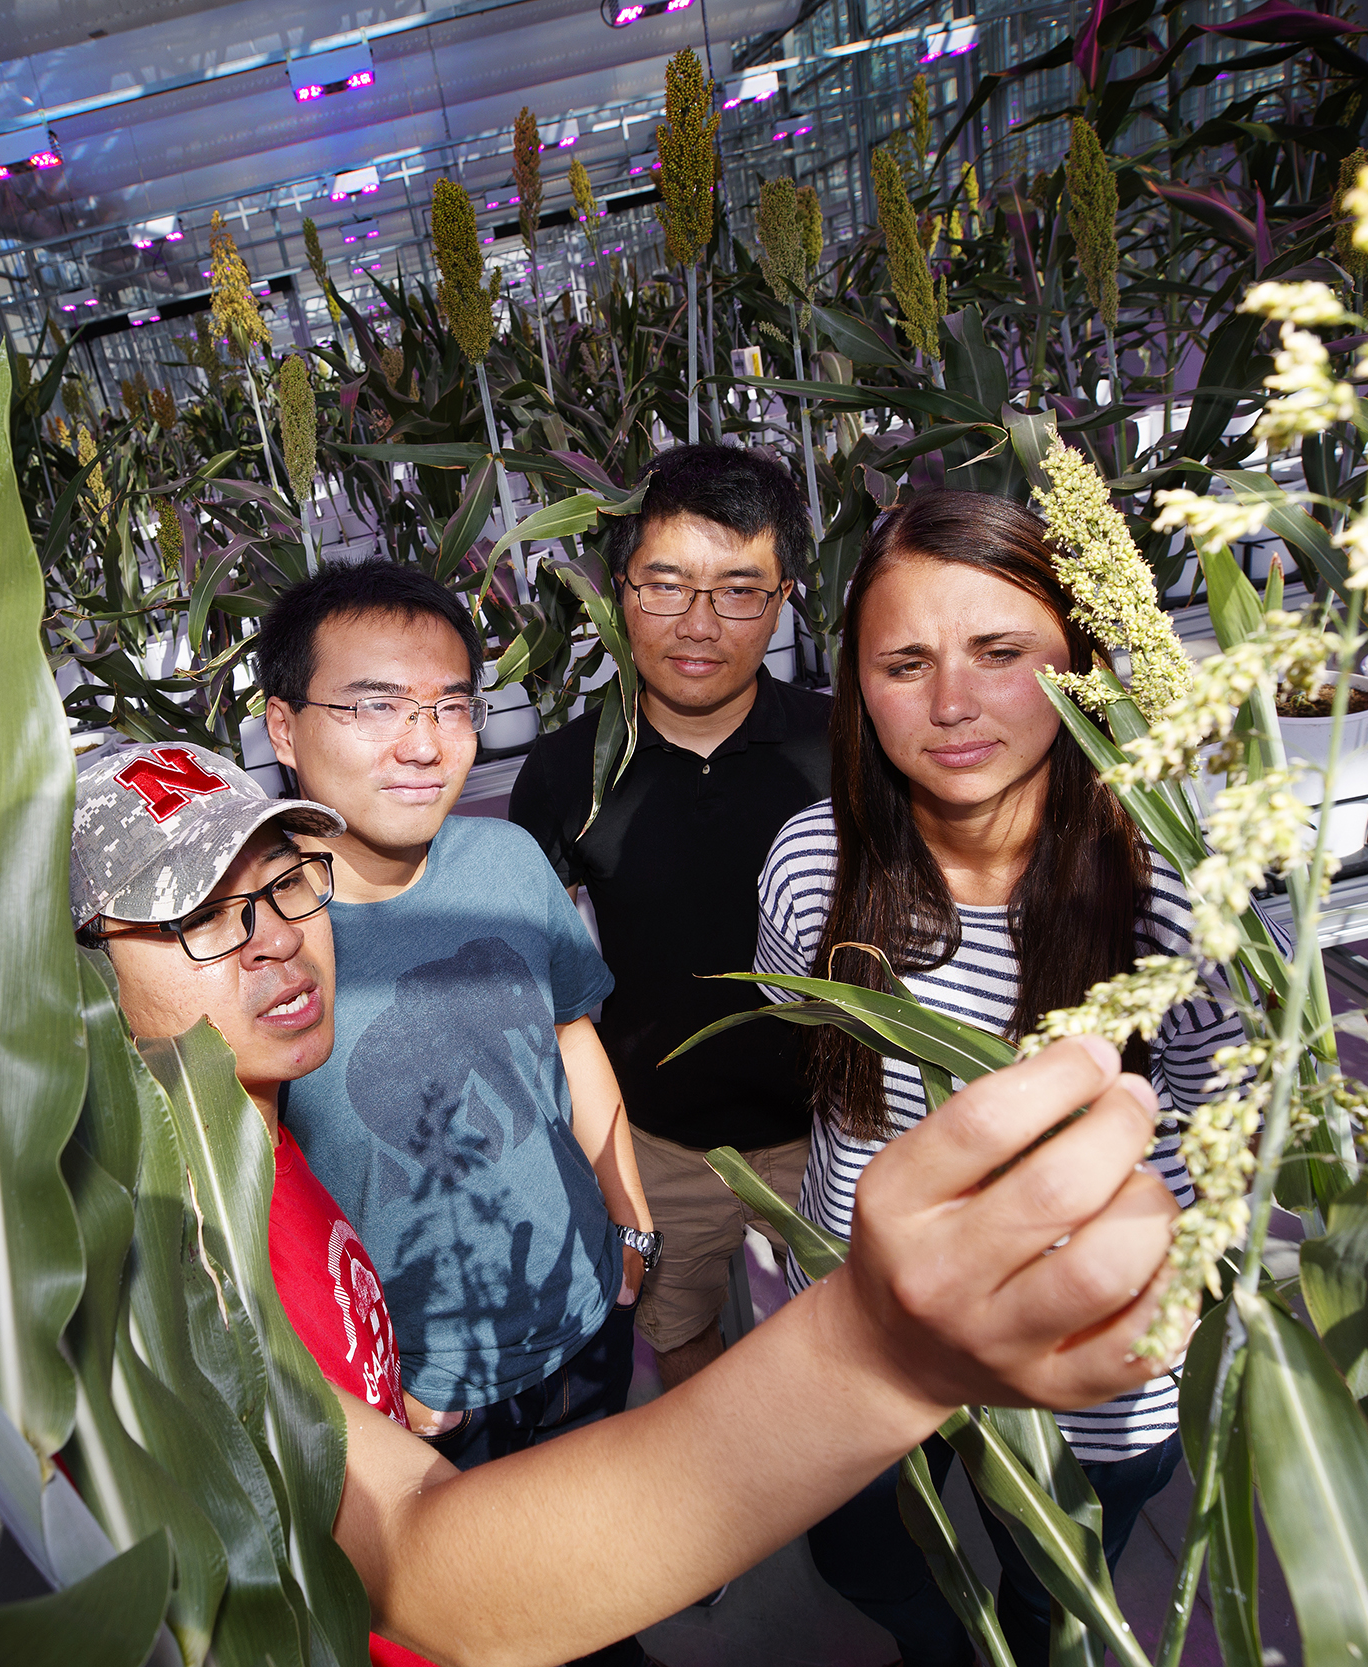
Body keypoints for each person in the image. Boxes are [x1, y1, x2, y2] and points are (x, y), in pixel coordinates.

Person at [70, 738, 1185, 1667]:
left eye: (279, 882)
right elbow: (415, 1552)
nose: (273, 934)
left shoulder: (246, 1136)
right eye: (196, 919)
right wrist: (875, 1353)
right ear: (63, 981)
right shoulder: (162, 1245)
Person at [754, 490, 1240, 1667]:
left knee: (1051, 1589)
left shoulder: (1173, 884)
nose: (953, 704)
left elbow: (1220, 1115)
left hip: (1087, 1359)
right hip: (867, 1324)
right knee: (859, 1550)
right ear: (856, 689)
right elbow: (795, 1024)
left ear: (1079, 663)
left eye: (1001, 652)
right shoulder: (812, 863)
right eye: (905, 662)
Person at [259, 563, 653, 1478]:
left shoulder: (508, 861)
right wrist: (365, 1377)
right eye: (374, 706)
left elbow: (570, 1037)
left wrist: (628, 1229)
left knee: (600, 1558)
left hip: (586, 1313)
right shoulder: (259, 944)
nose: (423, 744)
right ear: (285, 726)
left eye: (449, 706)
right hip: (423, 1396)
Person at [509, 445, 833, 1393]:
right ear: (620, 591)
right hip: (656, 1144)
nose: (699, 625)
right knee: (679, 1330)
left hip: (824, 1132)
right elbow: (543, 990)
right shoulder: (568, 772)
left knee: (844, 1336)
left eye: (739, 591)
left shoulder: (840, 746)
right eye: (666, 585)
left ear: (781, 602)